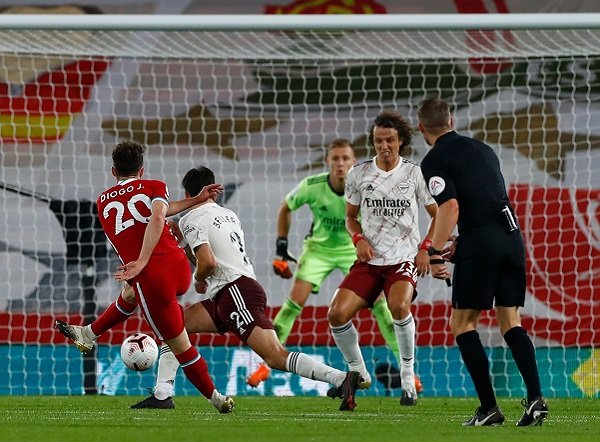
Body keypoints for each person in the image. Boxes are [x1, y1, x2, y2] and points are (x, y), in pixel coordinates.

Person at [119, 165, 362, 411]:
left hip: (234, 292)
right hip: (234, 290)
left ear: (188, 192)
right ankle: (163, 394)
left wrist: (198, 279)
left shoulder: (192, 218)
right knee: (175, 327)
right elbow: (212, 256)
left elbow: (208, 263)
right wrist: (185, 248)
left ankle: (340, 379)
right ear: (212, 191)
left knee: (274, 356)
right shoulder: (229, 215)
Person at [55, 140, 234, 414]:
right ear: (142, 169)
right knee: (129, 293)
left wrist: (140, 262)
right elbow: (159, 212)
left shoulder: (102, 201)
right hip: (178, 268)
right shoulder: (154, 186)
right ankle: (88, 334)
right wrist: (196, 200)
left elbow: (155, 219)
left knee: (178, 345)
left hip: (153, 278)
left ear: (113, 171)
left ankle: (216, 399)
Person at [247, 138, 422, 394]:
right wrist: (281, 248)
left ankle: (409, 372)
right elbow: (286, 207)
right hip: (318, 251)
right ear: (328, 161)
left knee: (384, 308)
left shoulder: (366, 184)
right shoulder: (313, 185)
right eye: (335, 158)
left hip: (356, 249)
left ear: (353, 161)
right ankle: (267, 362)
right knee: (293, 303)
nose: (340, 164)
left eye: (345, 159)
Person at [417, 98, 548, 427]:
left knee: (462, 324)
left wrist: (433, 252)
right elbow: (486, 199)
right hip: (512, 238)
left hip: (481, 241)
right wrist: (461, 242)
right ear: (452, 119)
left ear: (421, 129)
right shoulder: (483, 149)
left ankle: (489, 408)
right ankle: (535, 399)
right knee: (511, 321)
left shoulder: (435, 159)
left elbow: (450, 208)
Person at [327, 111, 438, 406]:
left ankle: (407, 379)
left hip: (402, 259)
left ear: (400, 141)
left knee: (398, 305)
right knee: (336, 314)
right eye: (378, 141)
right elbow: (350, 217)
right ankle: (360, 373)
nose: (384, 146)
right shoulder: (358, 174)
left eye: (389, 140)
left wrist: (426, 247)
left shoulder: (414, 174)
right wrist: (358, 238)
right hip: (369, 261)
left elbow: (437, 215)